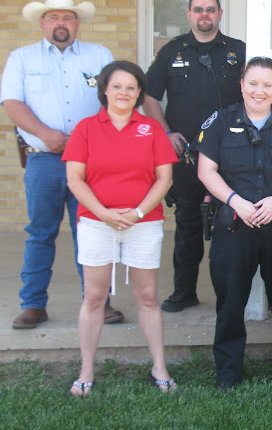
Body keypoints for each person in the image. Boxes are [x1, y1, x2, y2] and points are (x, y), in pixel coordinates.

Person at [1, 0, 123, 329]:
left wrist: (95, 140)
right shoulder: (22, 58)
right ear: (42, 23)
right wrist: (47, 134)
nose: (61, 23)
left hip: (90, 163)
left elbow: (114, 100)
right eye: (54, 17)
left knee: (92, 232)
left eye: (67, 17)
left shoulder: (99, 56)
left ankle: (99, 302)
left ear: (77, 22)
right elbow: (12, 103)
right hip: (44, 161)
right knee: (40, 232)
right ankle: (33, 305)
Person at [195, 57, 272, 390]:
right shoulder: (221, 122)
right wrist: (236, 202)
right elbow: (206, 170)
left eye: (266, 85)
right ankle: (228, 373)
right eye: (253, 84)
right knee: (230, 301)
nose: (259, 91)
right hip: (235, 226)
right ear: (241, 85)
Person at [63, 61, 178, 396]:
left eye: (131, 87)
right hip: (97, 223)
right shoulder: (86, 128)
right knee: (95, 296)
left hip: (144, 223)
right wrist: (104, 213)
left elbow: (164, 178)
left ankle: (159, 366)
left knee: (148, 296)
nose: (124, 93)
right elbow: (75, 178)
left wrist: (138, 211)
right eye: (117, 86)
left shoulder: (152, 129)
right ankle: (86, 370)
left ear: (139, 92)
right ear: (104, 90)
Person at [143, 0, 246, 314]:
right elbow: (148, 96)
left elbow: (259, 91)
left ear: (219, 14)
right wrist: (165, 132)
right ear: (189, 14)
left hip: (230, 155)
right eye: (198, 9)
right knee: (187, 226)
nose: (205, 15)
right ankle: (183, 292)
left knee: (232, 224)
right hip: (186, 155)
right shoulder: (172, 50)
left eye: (211, 9)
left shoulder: (237, 51)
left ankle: (232, 297)